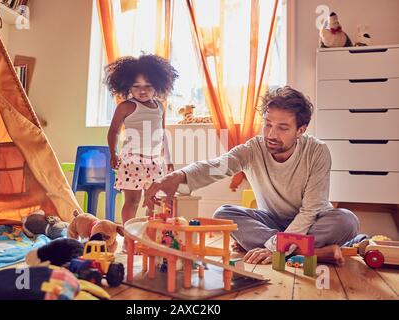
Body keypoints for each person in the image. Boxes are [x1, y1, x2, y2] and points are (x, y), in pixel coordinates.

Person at [143, 86, 360, 266]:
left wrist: (276, 247)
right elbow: (217, 166)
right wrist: (177, 177)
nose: (271, 135)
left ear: (301, 129)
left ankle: (280, 250)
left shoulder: (317, 151)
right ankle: (312, 252)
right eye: (267, 124)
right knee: (223, 213)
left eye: (283, 128)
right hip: (272, 222)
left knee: (346, 221)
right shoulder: (253, 148)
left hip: (312, 221)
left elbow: (311, 210)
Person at [105, 54, 178, 240]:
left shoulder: (160, 107)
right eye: (136, 86)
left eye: (148, 86)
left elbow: (162, 134)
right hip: (131, 161)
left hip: (154, 162)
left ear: (158, 86)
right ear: (127, 86)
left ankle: (150, 237)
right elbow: (113, 131)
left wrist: (168, 160)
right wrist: (113, 152)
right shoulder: (126, 106)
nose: (142, 91)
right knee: (132, 200)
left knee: (153, 200)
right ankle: (130, 238)